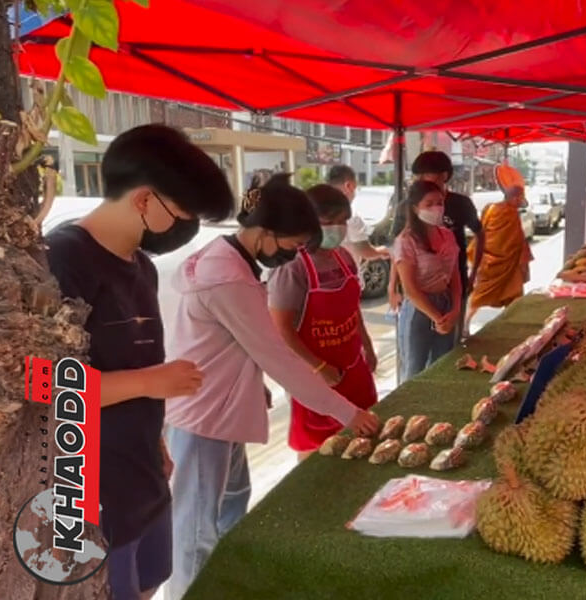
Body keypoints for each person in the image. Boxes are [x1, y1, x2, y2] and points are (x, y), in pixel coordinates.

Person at [162, 175, 380, 599]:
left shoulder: (234, 259)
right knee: (193, 532)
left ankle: (222, 585)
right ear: (264, 233)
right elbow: (278, 356)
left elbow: (235, 343)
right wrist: (349, 414)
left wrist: (250, 383)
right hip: (203, 416)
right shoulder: (226, 277)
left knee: (232, 501)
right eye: (292, 245)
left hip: (225, 405)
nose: (295, 254)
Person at [44, 124, 233, 600]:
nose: (185, 230)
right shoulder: (62, 257)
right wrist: (153, 381)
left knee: (149, 583)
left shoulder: (141, 265)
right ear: (145, 200)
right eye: (183, 215)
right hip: (90, 486)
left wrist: (156, 438)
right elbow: (44, 383)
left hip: (143, 470)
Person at [268, 184, 379, 461]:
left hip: (353, 366)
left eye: (342, 221)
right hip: (315, 375)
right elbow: (281, 330)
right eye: (329, 222)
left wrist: (367, 346)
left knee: (364, 438)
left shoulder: (343, 257)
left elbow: (353, 309)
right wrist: (318, 367)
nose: (337, 229)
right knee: (318, 451)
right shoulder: (292, 266)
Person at [389, 151, 483, 339]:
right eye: (418, 175)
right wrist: (392, 287)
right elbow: (397, 249)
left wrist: (473, 275)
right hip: (415, 291)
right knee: (414, 350)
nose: (420, 179)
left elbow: (480, 235)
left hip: (453, 285)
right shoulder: (407, 206)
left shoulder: (461, 203)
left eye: (425, 174)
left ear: (444, 176)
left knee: (449, 339)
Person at [393, 180, 462, 382]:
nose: (437, 208)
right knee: (414, 370)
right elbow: (410, 289)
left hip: (446, 304)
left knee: (441, 366)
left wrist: (455, 309)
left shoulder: (448, 236)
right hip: (419, 309)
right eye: (429, 203)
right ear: (415, 208)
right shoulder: (406, 241)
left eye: (440, 202)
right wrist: (436, 317)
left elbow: (455, 278)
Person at [466, 184, 533, 324]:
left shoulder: (508, 211)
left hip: (510, 259)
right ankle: (466, 323)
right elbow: (485, 232)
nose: (521, 200)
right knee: (480, 294)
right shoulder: (495, 209)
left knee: (513, 293)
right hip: (492, 259)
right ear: (514, 197)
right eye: (519, 197)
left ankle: (512, 322)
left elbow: (516, 236)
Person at [327, 164, 389, 263]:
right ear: (349, 186)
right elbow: (365, 251)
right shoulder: (350, 217)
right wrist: (384, 251)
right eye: (356, 188)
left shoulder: (318, 211)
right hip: (347, 274)